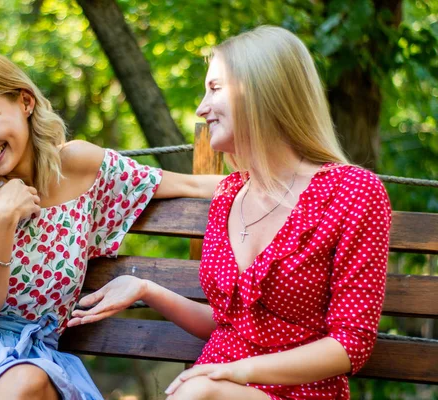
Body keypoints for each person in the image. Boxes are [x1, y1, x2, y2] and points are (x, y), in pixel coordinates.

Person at [0, 50, 222, 400]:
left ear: (25, 101)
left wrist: (271, 176)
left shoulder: (79, 165)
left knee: (26, 381)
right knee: (20, 384)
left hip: (42, 363)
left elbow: (190, 185)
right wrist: (3, 220)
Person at [68, 25, 392, 400]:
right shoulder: (228, 195)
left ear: (262, 89)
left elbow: (350, 345)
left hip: (295, 392)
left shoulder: (352, 192)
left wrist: (234, 373)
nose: (201, 108)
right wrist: (146, 289)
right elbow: (230, 326)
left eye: (215, 89)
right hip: (209, 385)